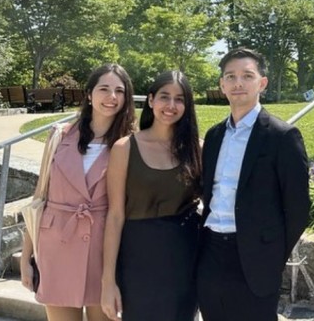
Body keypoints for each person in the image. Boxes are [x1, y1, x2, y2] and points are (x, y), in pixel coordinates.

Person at [197, 48, 310, 321]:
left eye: (247, 76)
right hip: (211, 253)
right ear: (222, 85)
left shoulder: (282, 136)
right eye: (230, 76)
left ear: (262, 83)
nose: (238, 83)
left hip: (256, 258)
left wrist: (271, 254)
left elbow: (298, 209)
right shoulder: (213, 136)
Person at [19, 63, 135, 321]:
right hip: (55, 247)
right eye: (104, 89)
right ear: (89, 94)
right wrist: (26, 256)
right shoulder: (60, 136)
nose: (111, 97)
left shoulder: (130, 144)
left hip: (104, 252)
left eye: (119, 90)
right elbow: (40, 199)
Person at [101, 70, 201, 321]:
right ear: (150, 100)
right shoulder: (124, 148)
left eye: (180, 99)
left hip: (184, 259)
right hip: (137, 260)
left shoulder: (197, 149)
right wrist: (108, 281)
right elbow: (114, 216)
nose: (171, 105)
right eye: (164, 97)